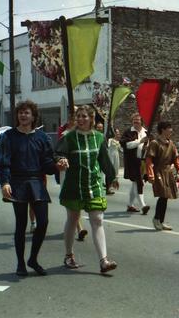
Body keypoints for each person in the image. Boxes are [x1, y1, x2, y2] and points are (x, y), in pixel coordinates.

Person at [0, 100, 59, 276]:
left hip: (36, 182)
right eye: (20, 112)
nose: (23, 115)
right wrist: (5, 182)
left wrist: (57, 166)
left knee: (43, 222)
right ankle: (20, 263)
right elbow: (3, 163)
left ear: (33, 116)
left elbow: (47, 164)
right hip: (17, 182)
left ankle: (33, 259)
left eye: (27, 112)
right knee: (21, 224)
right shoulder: (8, 136)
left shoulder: (42, 138)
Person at [55, 105, 118, 273]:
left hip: (94, 185)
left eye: (84, 116)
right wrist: (61, 160)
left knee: (97, 220)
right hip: (74, 186)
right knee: (73, 218)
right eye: (79, 116)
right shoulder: (69, 137)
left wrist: (112, 177)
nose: (81, 119)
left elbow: (104, 161)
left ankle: (104, 260)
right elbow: (58, 153)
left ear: (92, 118)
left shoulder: (98, 138)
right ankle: (69, 255)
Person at [146, 121, 179, 231]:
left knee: (166, 197)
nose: (171, 130)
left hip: (168, 172)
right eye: (169, 128)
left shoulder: (171, 143)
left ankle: (161, 221)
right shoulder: (155, 143)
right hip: (158, 171)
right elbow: (149, 159)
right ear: (162, 129)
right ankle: (156, 219)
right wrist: (150, 173)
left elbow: (175, 159)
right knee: (163, 195)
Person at [57, 111, 88, 241]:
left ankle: (75, 225)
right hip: (67, 173)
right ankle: (79, 227)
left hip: (80, 173)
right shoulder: (65, 135)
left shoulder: (83, 135)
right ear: (71, 121)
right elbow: (58, 153)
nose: (79, 121)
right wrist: (62, 159)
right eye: (76, 118)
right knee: (71, 200)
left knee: (78, 200)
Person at [120, 113, 150, 215]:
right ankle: (143, 205)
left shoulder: (147, 132)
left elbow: (152, 145)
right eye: (134, 121)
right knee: (139, 183)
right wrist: (139, 141)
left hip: (143, 162)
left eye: (137, 120)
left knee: (135, 183)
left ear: (142, 121)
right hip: (133, 162)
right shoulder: (128, 132)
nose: (136, 122)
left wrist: (147, 147)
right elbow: (126, 145)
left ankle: (130, 205)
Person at [106, 128, 122, 196]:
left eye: (119, 133)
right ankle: (108, 188)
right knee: (110, 171)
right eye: (117, 133)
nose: (118, 134)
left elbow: (121, 150)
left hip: (116, 156)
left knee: (116, 170)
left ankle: (112, 185)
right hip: (111, 155)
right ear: (114, 133)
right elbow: (108, 146)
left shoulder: (119, 142)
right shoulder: (110, 140)